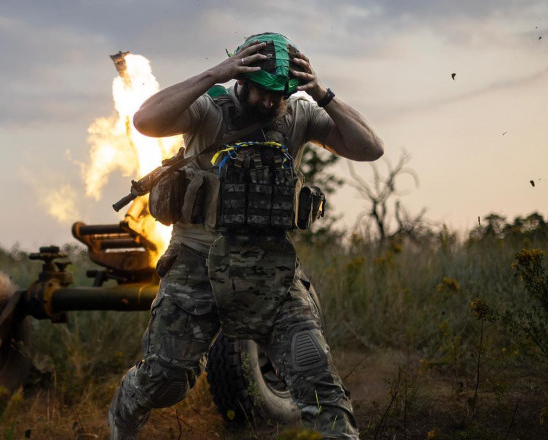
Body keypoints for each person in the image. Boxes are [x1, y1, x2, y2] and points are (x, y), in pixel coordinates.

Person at [108, 32, 384, 440]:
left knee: (316, 379)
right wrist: (213, 74)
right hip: (197, 263)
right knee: (164, 379)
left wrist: (321, 93)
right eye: (263, 92)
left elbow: (371, 148)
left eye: (280, 93)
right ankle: (124, 413)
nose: (271, 102)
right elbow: (145, 121)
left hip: (271, 270)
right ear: (241, 78)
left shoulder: (299, 115)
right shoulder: (208, 109)